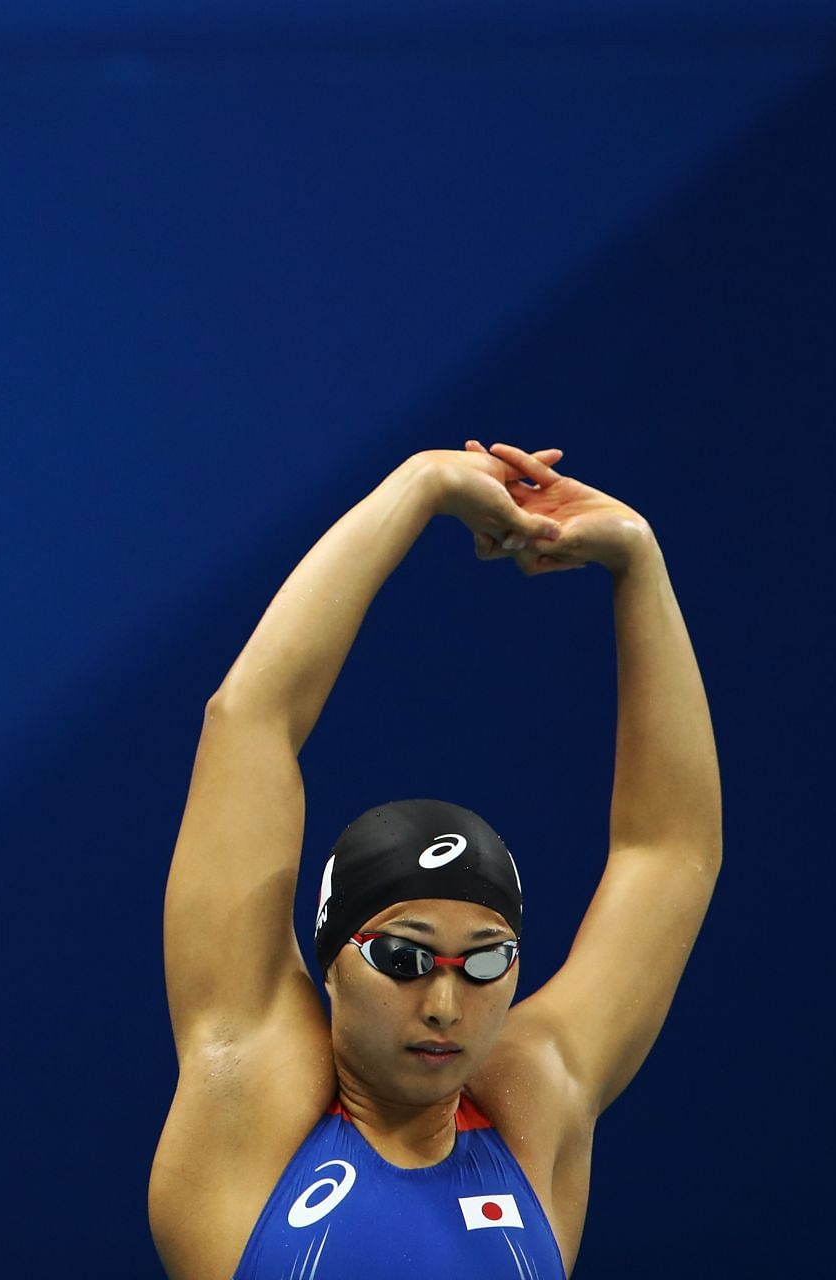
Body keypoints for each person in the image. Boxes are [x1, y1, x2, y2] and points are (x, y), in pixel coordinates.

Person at [148, 443, 720, 1278]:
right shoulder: (249, 1106)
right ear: (333, 962)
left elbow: (668, 853)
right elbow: (249, 722)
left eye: (486, 962)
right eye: (405, 958)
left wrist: (640, 564)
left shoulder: (532, 1107)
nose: (446, 1004)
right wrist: (419, 486)